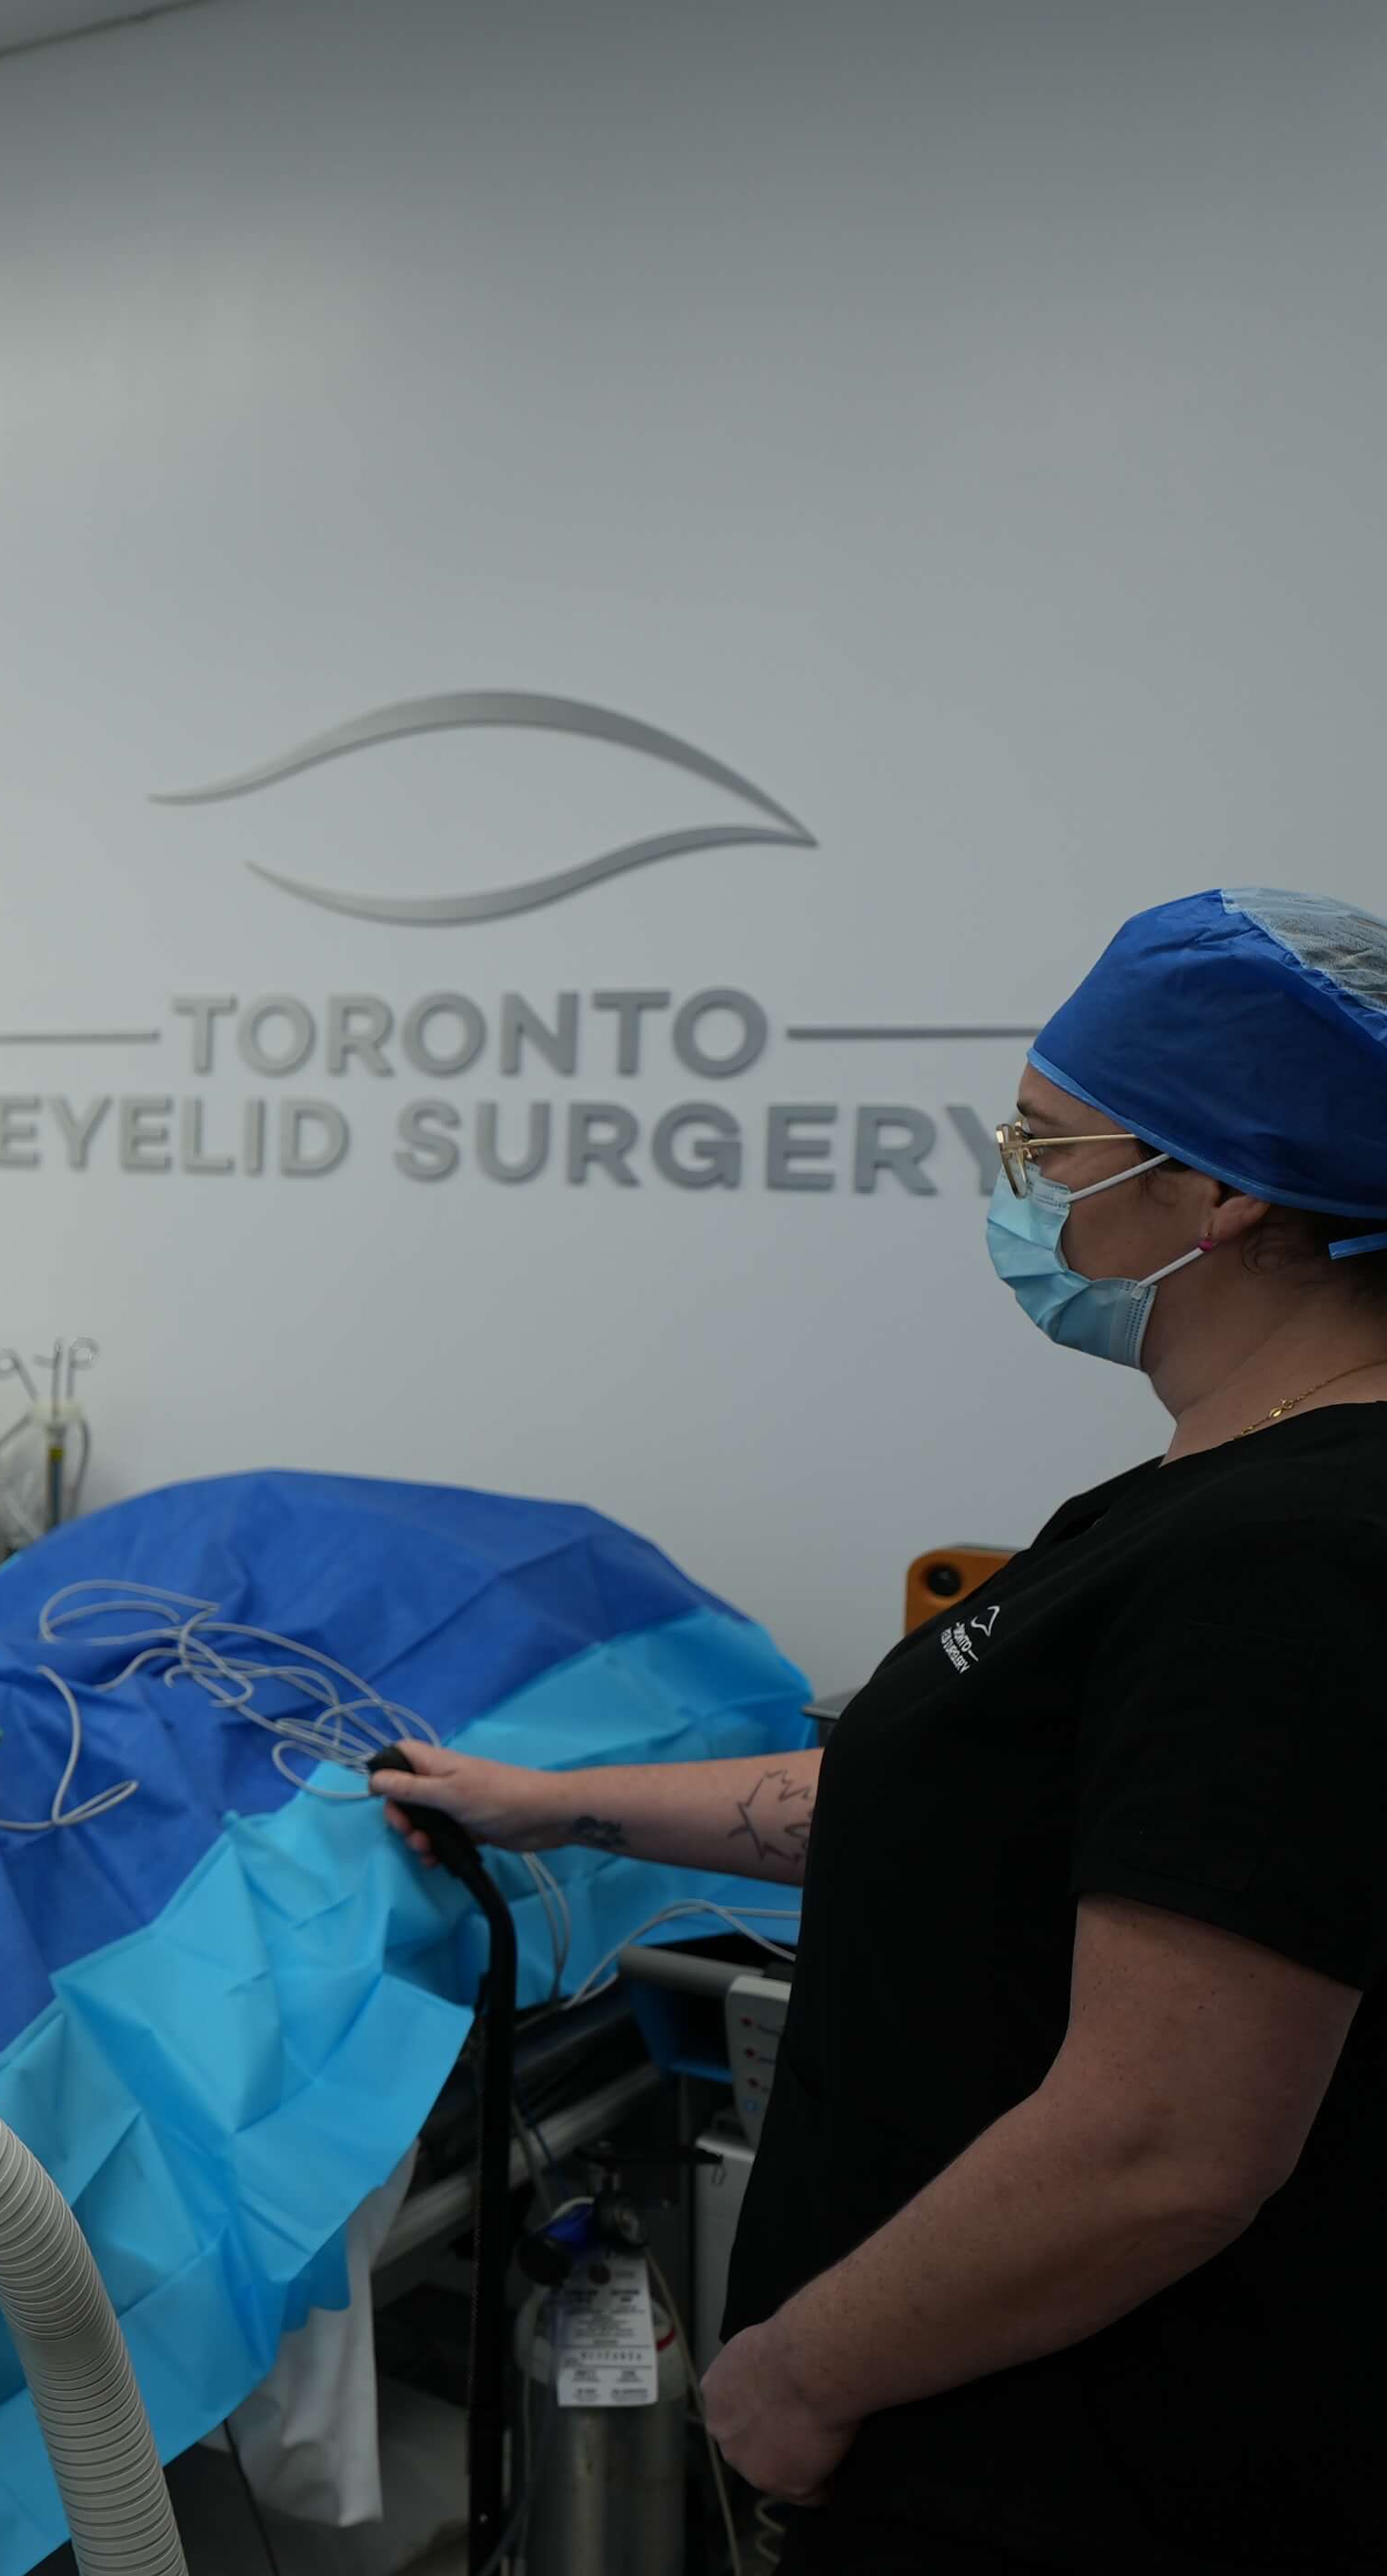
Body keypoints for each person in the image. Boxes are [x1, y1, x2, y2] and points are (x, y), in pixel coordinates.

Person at [378, 887, 1387, 2572]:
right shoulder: (1212, 1490)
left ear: (1218, 1190)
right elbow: (976, 1802)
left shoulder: (1297, 1556)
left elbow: (1164, 2150)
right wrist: (553, 1804)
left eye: (1048, 1147)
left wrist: (795, 2368)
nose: (1011, 1185)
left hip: (1082, 2469)